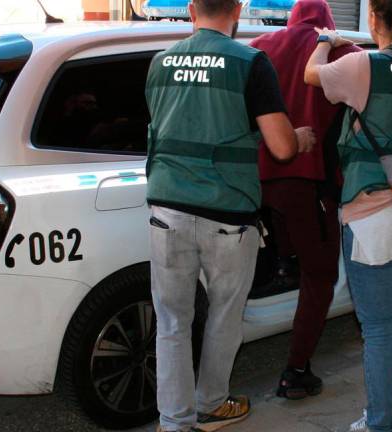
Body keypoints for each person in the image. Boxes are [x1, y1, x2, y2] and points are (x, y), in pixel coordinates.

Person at [145, 0, 316, 430]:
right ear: (237, 9)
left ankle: (174, 422)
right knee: (224, 315)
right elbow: (280, 147)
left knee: (171, 322)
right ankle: (211, 404)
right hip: (226, 215)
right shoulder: (250, 62)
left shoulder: (160, 63)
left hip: (167, 209)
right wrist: (300, 138)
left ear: (190, 9)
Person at [304, 0, 392, 431]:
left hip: (374, 217)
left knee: (377, 325)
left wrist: (328, 41)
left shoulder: (363, 64)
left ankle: (379, 423)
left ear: (373, 18)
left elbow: (312, 75)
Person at [250, 0, 361, 400]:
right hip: (307, 180)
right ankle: (296, 372)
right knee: (321, 277)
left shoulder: (258, 45)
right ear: (327, 23)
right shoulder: (340, 51)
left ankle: (284, 263)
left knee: (286, 245)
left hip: (255, 179)